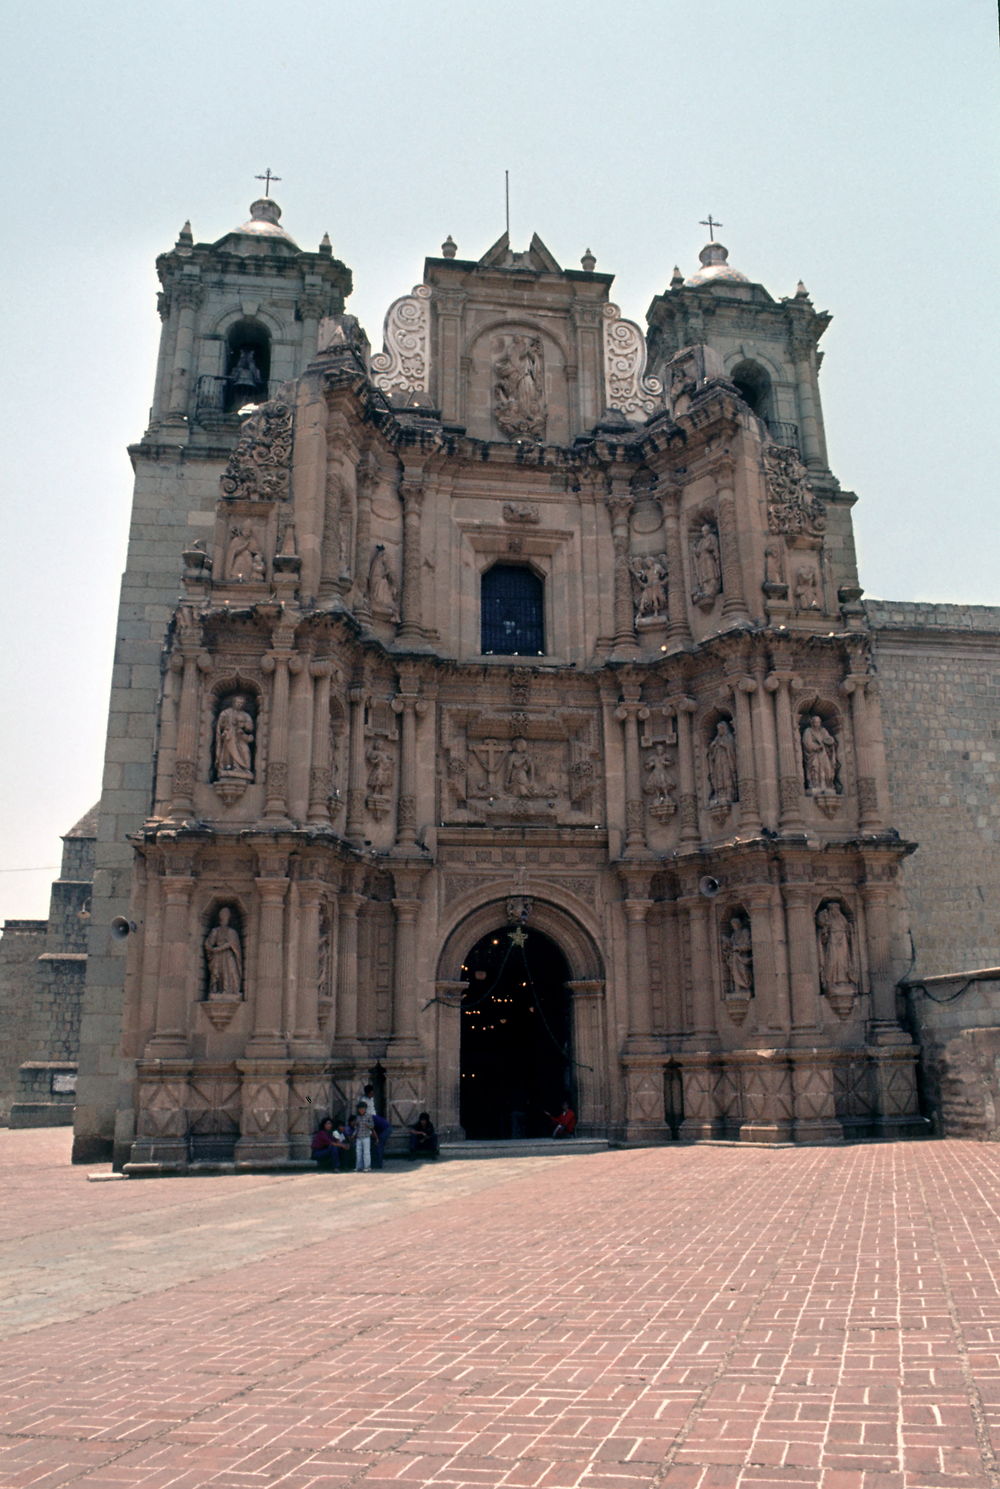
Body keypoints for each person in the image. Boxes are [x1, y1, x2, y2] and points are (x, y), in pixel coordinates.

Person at [204, 908, 242, 997]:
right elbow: (209, 944)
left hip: (228, 955)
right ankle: (216, 990)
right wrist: (212, 949)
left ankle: (231, 990)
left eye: (226, 915)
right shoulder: (215, 931)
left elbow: (234, 945)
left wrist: (220, 948)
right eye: (223, 915)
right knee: (216, 974)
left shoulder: (232, 932)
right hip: (217, 956)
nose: (224, 917)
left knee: (231, 972)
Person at [353, 1101, 375, 1172]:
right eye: (360, 1109)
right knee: (358, 1152)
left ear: (365, 1109)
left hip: (366, 1136)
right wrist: (354, 1135)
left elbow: (372, 1125)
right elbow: (356, 1127)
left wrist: (367, 1125)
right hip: (359, 1137)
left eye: (362, 1109)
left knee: (366, 1152)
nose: (361, 1110)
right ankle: (359, 1166)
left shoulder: (368, 1116)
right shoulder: (358, 1117)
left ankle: (367, 1166)